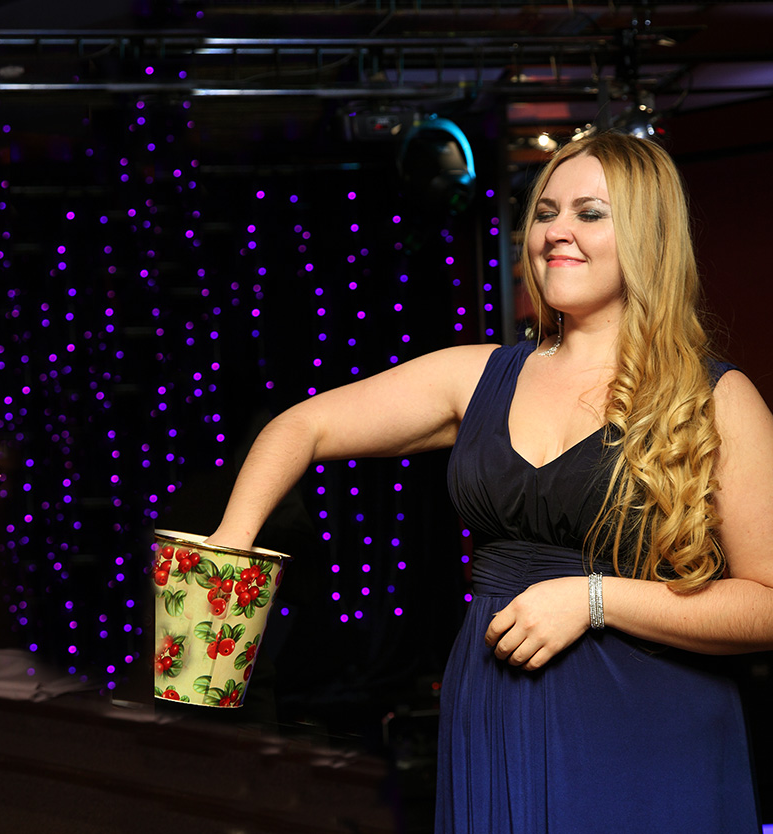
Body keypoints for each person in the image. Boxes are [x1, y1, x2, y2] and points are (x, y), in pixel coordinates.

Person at [205, 131, 772, 832]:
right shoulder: (478, 376)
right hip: (497, 707)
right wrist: (231, 542)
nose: (556, 231)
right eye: (545, 212)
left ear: (650, 237)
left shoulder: (714, 398)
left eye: (590, 213)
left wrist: (595, 599)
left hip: (646, 728)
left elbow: (767, 605)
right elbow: (302, 427)